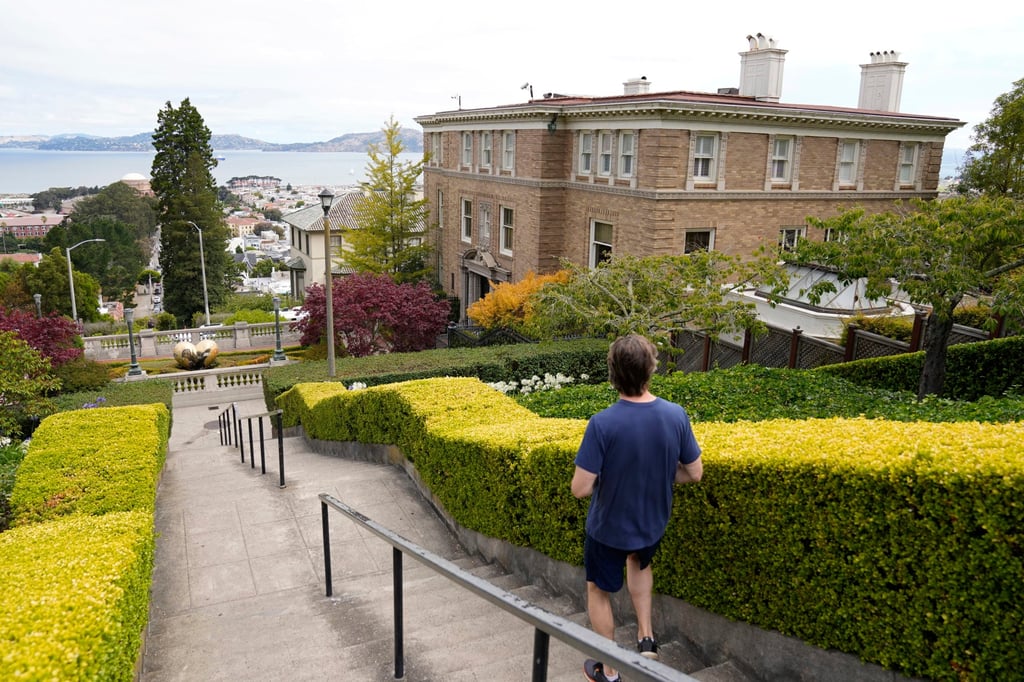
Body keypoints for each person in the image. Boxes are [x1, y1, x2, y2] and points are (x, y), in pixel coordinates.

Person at [571, 334, 703, 682]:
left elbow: (580, 489)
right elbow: (695, 472)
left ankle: (610, 670)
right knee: (640, 562)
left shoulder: (602, 424)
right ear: (650, 369)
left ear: (613, 373)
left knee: (598, 591)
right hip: (651, 525)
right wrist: (655, 473)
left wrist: (614, 475)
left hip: (608, 529)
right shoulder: (675, 415)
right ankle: (646, 636)